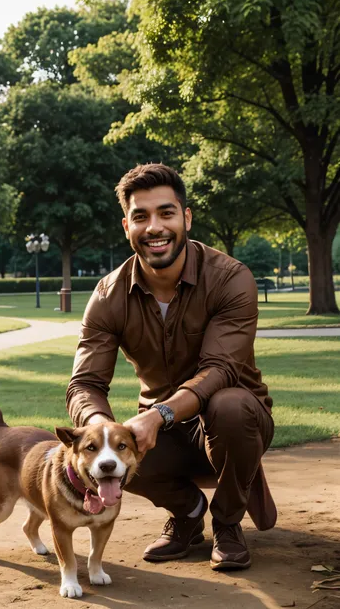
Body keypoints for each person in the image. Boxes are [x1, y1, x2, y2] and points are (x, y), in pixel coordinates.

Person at [66, 163, 276, 571]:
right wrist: (103, 431)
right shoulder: (108, 295)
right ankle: (188, 512)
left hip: (234, 422)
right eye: (141, 217)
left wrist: (159, 415)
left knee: (230, 405)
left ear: (187, 217)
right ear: (126, 225)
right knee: (115, 450)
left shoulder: (231, 278)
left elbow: (220, 369)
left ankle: (228, 522)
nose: (154, 227)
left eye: (166, 213)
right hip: (165, 434)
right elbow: (85, 383)